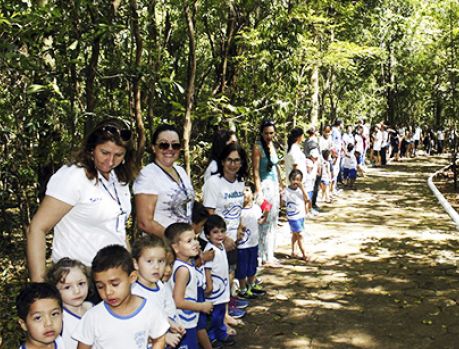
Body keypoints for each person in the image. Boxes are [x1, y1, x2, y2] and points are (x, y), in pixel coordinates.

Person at [27, 118, 138, 281]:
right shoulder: (73, 177)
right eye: (105, 153)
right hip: (78, 278)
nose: (110, 161)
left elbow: (117, 229)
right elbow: (37, 228)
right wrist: (40, 286)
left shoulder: (118, 178)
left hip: (114, 274)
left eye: (118, 155)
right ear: (92, 149)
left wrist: (130, 264)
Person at [73, 245, 169, 349]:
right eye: (100, 286)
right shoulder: (93, 317)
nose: (108, 292)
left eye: (115, 284)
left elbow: (159, 338)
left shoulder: (150, 310)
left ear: (132, 277)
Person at [202, 142, 248, 321]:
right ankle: (221, 317)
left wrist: (240, 228)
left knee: (230, 274)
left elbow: (239, 207)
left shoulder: (240, 182)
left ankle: (227, 309)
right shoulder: (214, 183)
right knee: (218, 278)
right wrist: (224, 238)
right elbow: (209, 213)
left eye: (237, 160)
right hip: (217, 240)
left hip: (233, 239)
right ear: (222, 161)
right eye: (229, 160)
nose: (233, 164)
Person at [134, 124, 195, 238]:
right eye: (164, 145)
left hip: (184, 247)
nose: (170, 149)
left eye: (175, 145)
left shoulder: (180, 171)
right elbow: (144, 223)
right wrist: (175, 240)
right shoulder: (148, 175)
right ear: (153, 147)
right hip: (161, 246)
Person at [131, 235, 186, 348]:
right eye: (149, 261)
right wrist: (164, 337)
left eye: (161, 261)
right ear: (136, 264)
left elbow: (158, 313)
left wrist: (171, 324)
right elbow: (137, 326)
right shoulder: (135, 293)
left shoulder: (160, 285)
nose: (156, 266)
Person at [166, 223, 214, 349]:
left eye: (195, 239)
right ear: (176, 248)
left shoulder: (186, 264)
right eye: (189, 241)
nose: (195, 243)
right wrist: (202, 306)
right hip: (183, 324)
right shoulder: (183, 270)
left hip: (188, 320)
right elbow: (178, 301)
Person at [252, 119, 283, 267]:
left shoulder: (272, 146)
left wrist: (281, 184)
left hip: (274, 185)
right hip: (264, 187)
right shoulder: (258, 147)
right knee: (264, 222)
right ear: (261, 133)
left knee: (273, 221)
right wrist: (259, 192)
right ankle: (263, 256)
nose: (269, 136)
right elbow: (256, 171)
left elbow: (276, 167)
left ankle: (270, 254)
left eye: (271, 133)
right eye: (266, 133)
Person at [203, 215, 236, 347]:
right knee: (214, 316)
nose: (219, 235)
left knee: (221, 313)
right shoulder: (210, 250)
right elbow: (207, 269)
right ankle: (212, 337)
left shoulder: (221, 246)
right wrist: (209, 285)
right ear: (207, 235)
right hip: (215, 291)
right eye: (215, 232)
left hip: (223, 289)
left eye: (222, 231)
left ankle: (222, 333)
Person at [47, 258, 93, 349]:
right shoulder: (59, 318)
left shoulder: (94, 308)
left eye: (81, 283)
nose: (77, 291)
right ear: (55, 290)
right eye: (67, 287)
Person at [236, 182, 267, 300]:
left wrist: (266, 214)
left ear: (253, 194)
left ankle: (251, 284)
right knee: (242, 267)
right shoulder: (238, 210)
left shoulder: (256, 208)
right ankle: (243, 289)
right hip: (242, 246)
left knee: (252, 265)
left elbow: (259, 221)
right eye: (242, 190)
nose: (244, 193)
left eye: (247, 190)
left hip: (253, 243)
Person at [16, 282, 65, 349]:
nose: (49, 323)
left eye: (54, 314)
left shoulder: (62, 341)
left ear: (62, 314)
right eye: (38, 318)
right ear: (24, 324)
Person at [283, 169, 310, 262]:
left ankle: (293, 251)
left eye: (298, 180)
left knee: (295, 234)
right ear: (290, 179)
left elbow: (307, 199)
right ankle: (304, 254)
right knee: (300, 234)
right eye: (294, 179)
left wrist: (302, 188)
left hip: (301, 216)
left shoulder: (300, 190)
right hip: (293, 217)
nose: (296, 182)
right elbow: (283, 202)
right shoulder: (286, 190)